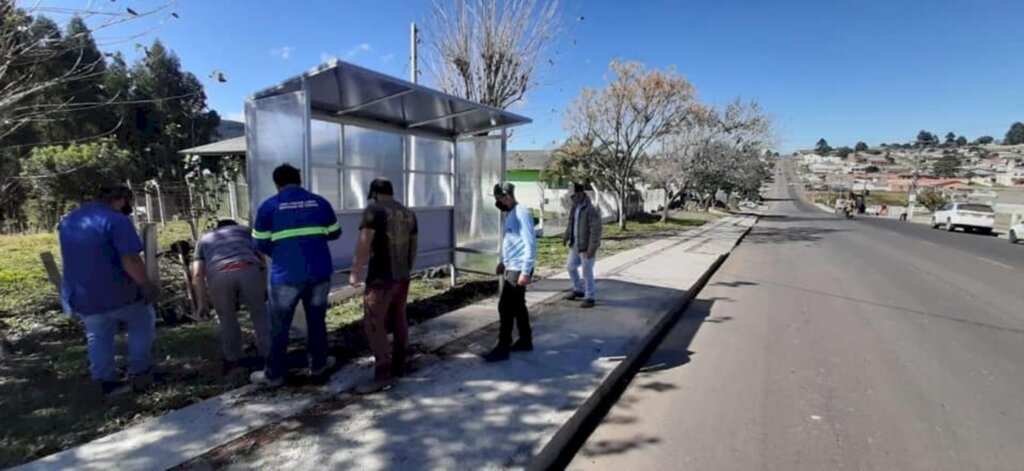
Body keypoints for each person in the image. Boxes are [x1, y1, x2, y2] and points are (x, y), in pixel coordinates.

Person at [59, 185, 159, 396]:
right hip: (120, 290)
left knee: (97, 335)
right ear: (122, 200)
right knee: (142, 322)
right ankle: (140, 371)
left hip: (84, 293)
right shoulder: (116, 220)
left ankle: (104, 380)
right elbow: (130, 259)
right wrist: (146, 285)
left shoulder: (70, 220)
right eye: (130, 202)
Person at [250, 164, 342, 387]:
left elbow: (259, 243)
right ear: (300, 180)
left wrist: (281, 253)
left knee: (279, 326)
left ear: (277, 183)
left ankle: (273, 375)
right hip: (319, 272)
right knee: (316, 321)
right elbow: (335, 232)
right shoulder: (320, 202)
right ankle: (318, 365)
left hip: (285, 276)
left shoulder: (269, 207)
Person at [349, 178, 418, 393]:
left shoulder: (374, 211)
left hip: (380, 278)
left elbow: (364, 243)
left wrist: (355, 271)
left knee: (374, 321)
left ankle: (383, 366)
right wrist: (406, 268)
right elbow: (413, 247)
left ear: (375, 193)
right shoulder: (409, 213)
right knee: (399, 317)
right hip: (402, 276)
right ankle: (401, 360)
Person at [192, 219, 270, 374]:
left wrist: (202, 303)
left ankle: (234, 362)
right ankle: (270, 356)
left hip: (220, 275)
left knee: (227, 319)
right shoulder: (246, 231)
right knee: (260, 314)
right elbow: (263, 260)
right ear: (234, 225)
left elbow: (198, 273)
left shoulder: (205, 239)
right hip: (248, 269)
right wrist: (265, 287)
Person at [484, 182, 537, 363]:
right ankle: (525, 339)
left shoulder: (521, 212)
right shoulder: (511, 214)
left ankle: (503, 348)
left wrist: (526, 271)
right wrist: (503, 262)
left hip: (519, 267)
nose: (498, 202)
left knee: (505, 307)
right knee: (518, 305)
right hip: (512, 265)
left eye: (498, 198)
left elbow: (530, 243)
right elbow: (513, 243)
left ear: (506, 196)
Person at [563, 183, 603, 308]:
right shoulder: (575, 207)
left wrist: (592, 248)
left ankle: (590, 297)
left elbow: (596, 230)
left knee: (587, 271)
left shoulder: (591, 210)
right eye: (573, 196)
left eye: (576, 195)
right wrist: (566, 236)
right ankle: (578, 289)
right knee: (570, 267)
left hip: (586, 246)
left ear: (582, 194)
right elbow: (571, 223)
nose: (575, 198)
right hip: (575, 244)